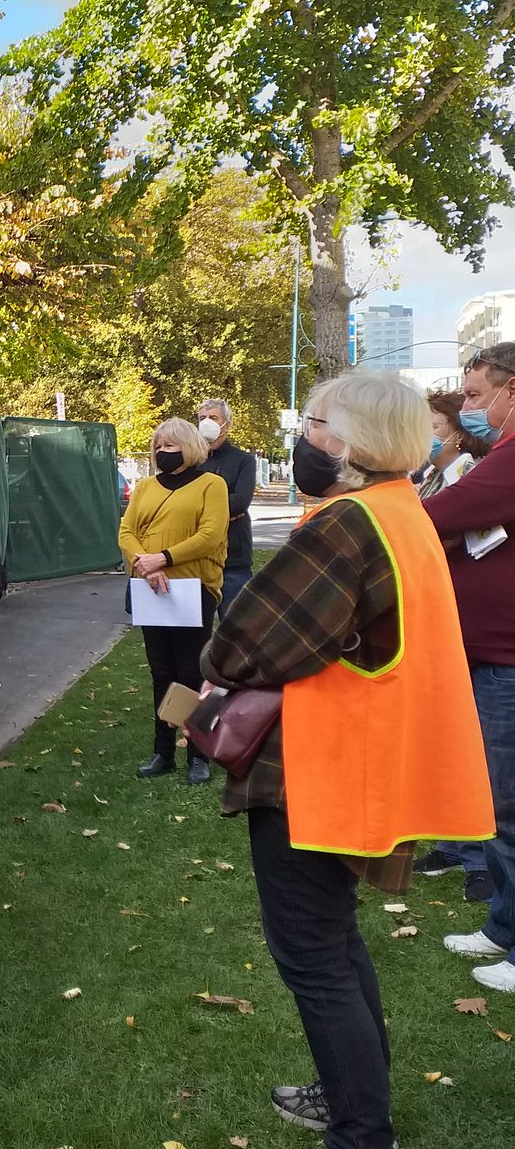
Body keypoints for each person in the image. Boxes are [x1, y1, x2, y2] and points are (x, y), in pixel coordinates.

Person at [202, 372, 494, 1146]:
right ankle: (356, 1101)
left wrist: (215, 659)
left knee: (314, 956)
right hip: (363, 763)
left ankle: (362, 1128)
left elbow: (248, 642)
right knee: (333, 942)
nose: (306, 437)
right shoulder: (403, 511)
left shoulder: (347, 523)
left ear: (356, 438)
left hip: (319, 770)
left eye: (314, 422)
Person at [425, 344, 515, 992]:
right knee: (496, 801)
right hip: (489, 658)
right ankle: (503, 925)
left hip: (506, 664)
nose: (468, 409)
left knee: (507, 805)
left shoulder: (508, 461)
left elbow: (437, 517)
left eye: (478, 396)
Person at [413, 389, 493, 902]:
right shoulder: (434, 475)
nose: (426, 434)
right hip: (441, 619)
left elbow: (438, 530)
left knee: (476, 746)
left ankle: (477, 857)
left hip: (467, 623)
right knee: (441, 734)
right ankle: (451, 842)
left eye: (433, 425)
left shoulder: (468, 473)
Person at [118, 417, 228, 785]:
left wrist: (163, 557)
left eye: (170, 445)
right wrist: (145, 564)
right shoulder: (146, 486)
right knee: (161, 671)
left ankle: (199, 753)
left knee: (193, 673)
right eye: (159, 446)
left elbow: (211, 534)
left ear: (189, 446)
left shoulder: (211, 484)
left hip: (194, 589)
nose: (163, 451)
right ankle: (162, 750)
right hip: (152, 589)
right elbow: (127, 531)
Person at [196, 399, 256, 617]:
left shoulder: (243, 460)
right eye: (202, 418)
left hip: (234, 559)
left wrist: (198, 510)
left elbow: (240, 501)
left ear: (226, 425)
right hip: (197, 559)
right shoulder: (191, 460)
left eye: (213, 418)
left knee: (236, 628)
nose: (206, 423)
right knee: (194, 633)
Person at [417, 389, 487, 500]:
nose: (422, 434)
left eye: (434, 427)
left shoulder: (471, 479)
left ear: (460, 435)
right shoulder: (432, 475)